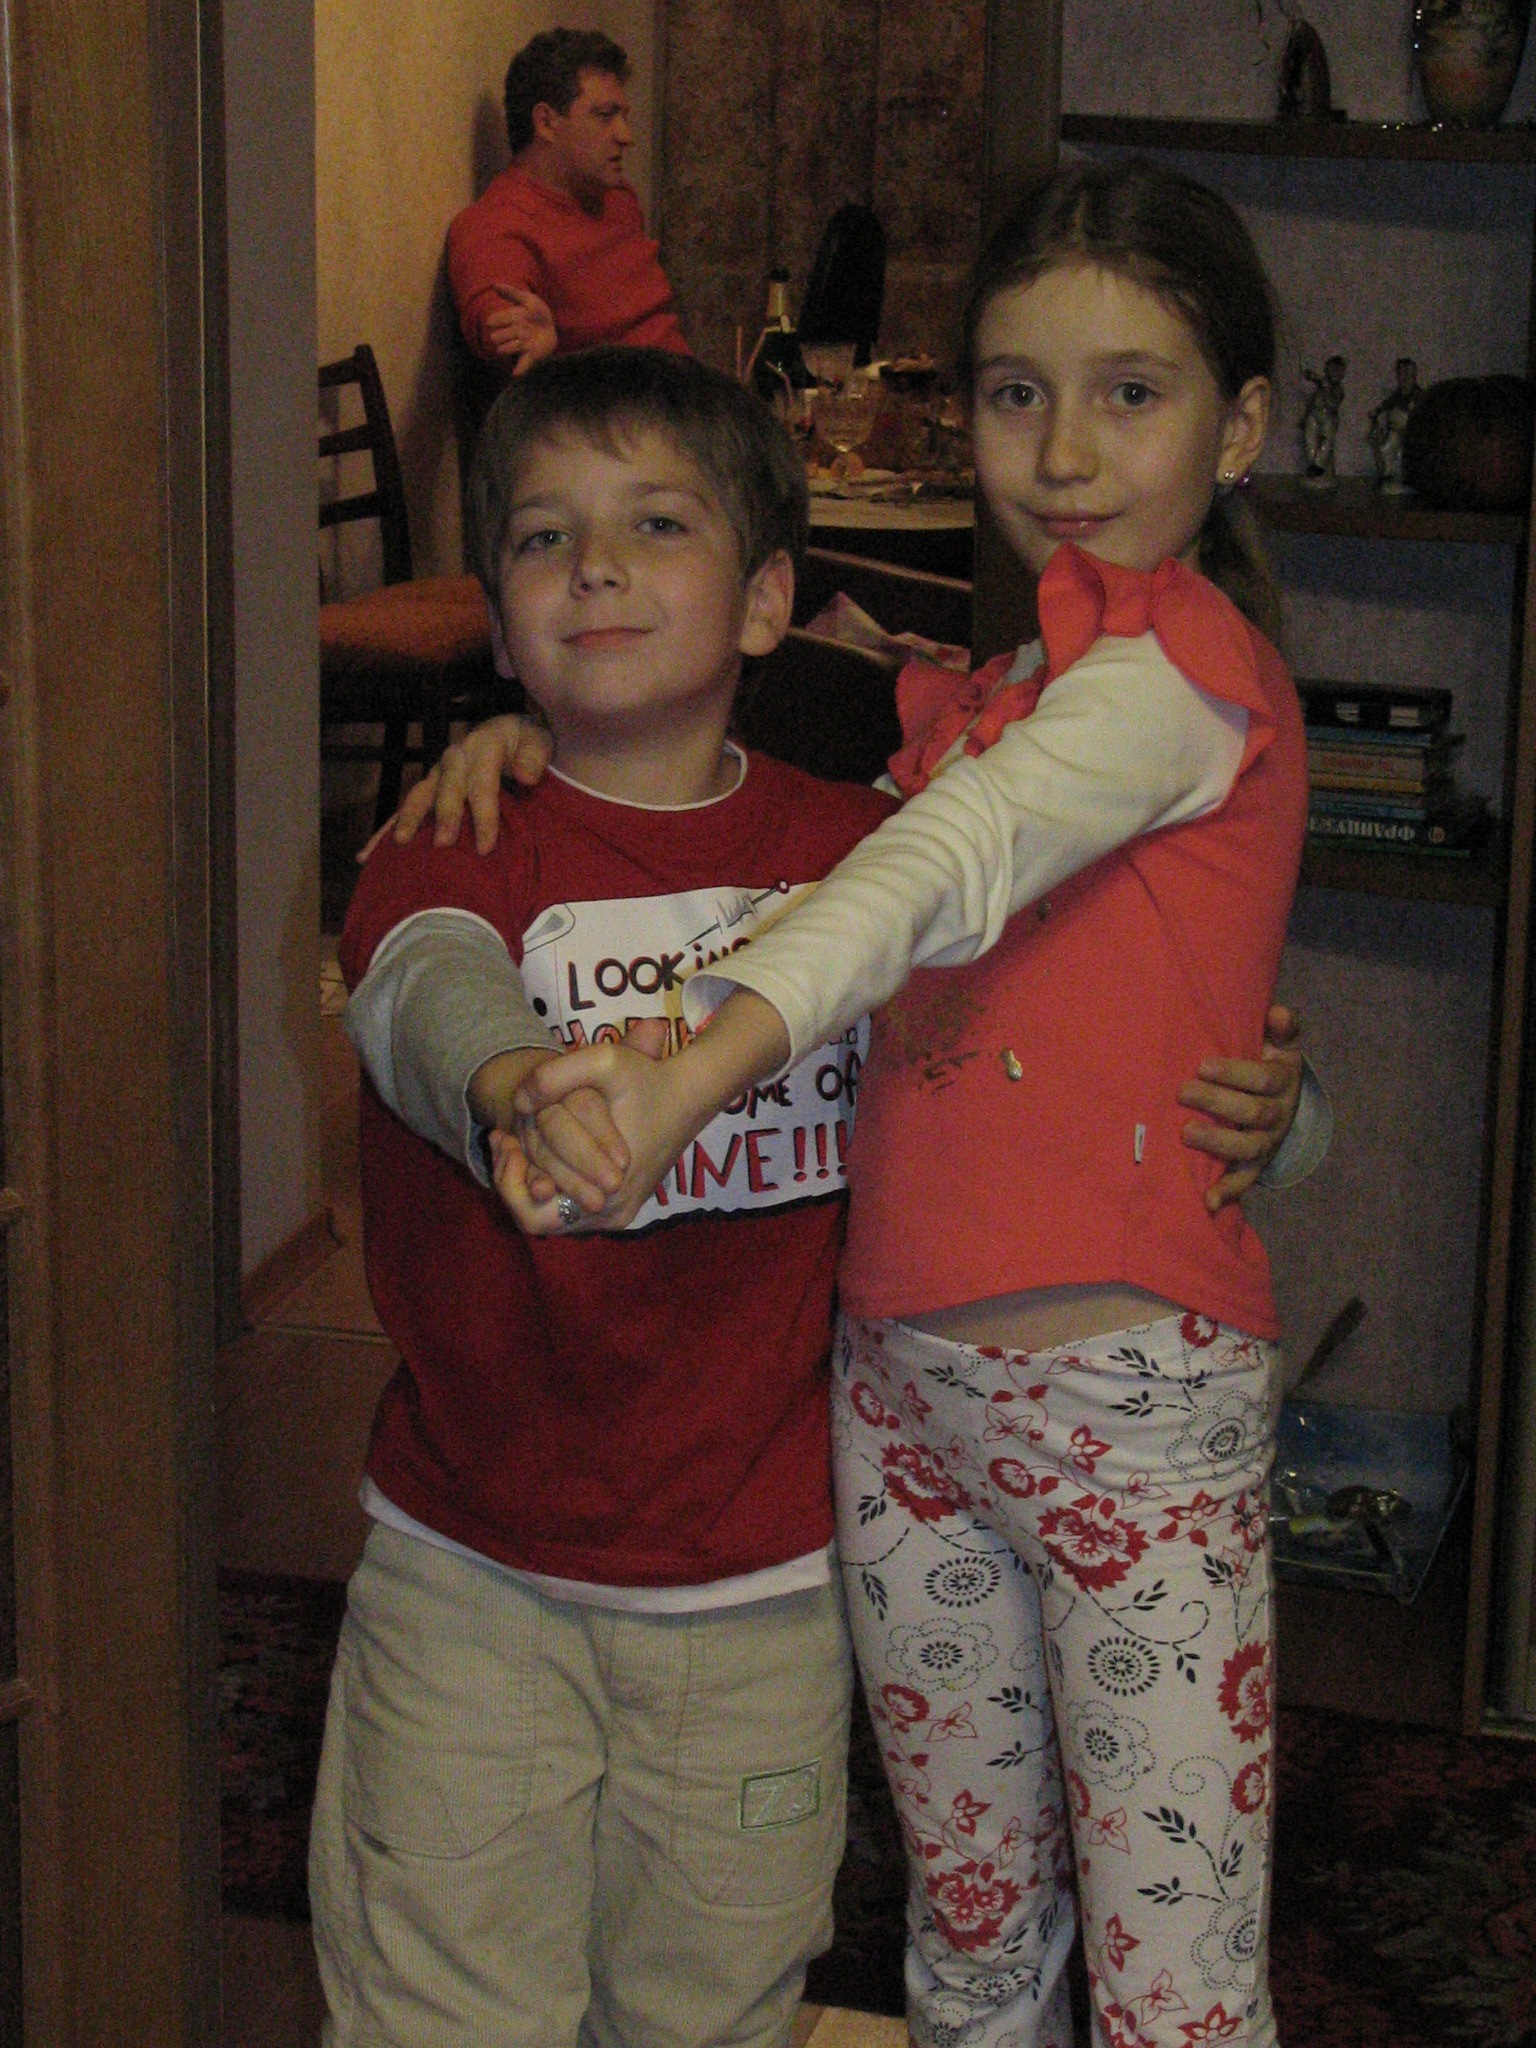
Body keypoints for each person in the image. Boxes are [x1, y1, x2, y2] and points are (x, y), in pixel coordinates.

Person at [504, 160, 1314, 2048]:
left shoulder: (1181, 674)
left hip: (1127, 1413)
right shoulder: (1002, 688)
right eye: (1019, 392)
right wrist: (521, 737)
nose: (1065, 449)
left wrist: (696, 1063)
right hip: (903, 1395)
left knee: (1175, 1985)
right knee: (967, 1935)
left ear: (1240, 427)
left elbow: (952, 864)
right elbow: (778, 795)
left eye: (1132, 392)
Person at [309, 349, 895, 2047]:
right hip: (471, 1577)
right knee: (437, 2005)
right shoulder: (449, 837)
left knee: (712, 2008)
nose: (598, 568)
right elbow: (420, 983)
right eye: (545, 538)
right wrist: (514, 1080)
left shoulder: (868, 856)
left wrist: (1270, 1108)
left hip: (766, 1592)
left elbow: (1049, 1015)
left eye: (657, 524)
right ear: (501, 624)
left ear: (767, 598)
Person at [448, 27, 688, 380]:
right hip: (612, 409)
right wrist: (526, 339)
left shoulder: (618, 197)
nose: (626, 136)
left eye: (624, 116)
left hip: (680, 393)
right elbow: (493, 319)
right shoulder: (497, 223)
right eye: (604, 116)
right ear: (546, 122)